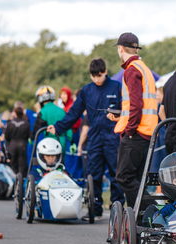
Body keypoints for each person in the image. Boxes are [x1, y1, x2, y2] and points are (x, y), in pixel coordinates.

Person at [49, 58, 125, 220]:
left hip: (113, 137)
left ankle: (117, 210)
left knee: (116, 175)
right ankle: (95, 210)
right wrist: (58, 127)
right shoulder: (86, 91)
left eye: (99, 75)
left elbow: (127, 110)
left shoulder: (117, 87)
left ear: (105, 72)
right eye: (93, 76)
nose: (96, 79)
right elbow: (74, 113)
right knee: (93, 174)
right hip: (95, 139)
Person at [107, 32, 158, 208]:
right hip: (146, 131)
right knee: (135, 178)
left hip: (136, 132)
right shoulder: (144, 68)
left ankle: (149, 213)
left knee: (123, 176)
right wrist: (122, 116)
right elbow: (139, 104)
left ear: (120, 49)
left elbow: (136, 104)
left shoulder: (131, 70)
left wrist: (129, 129)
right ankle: (138, 221)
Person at [32, 85, 70, 154]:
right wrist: (72, 141)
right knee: (61, 163)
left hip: (49, 142)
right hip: (62, 141)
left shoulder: (43, 111)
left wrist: (31, 137)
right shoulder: (61, 110)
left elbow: (37, 128)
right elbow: (68, 127)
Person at [5, 104, 30, 177]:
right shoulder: (26, 123)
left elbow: (7, 136)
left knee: (13, 164)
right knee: (22, 165)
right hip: (22, 145)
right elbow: (28, 135)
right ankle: (21, 183)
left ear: (15, 114)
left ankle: (13, 181)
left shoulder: (10, 123)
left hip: (12, 145)